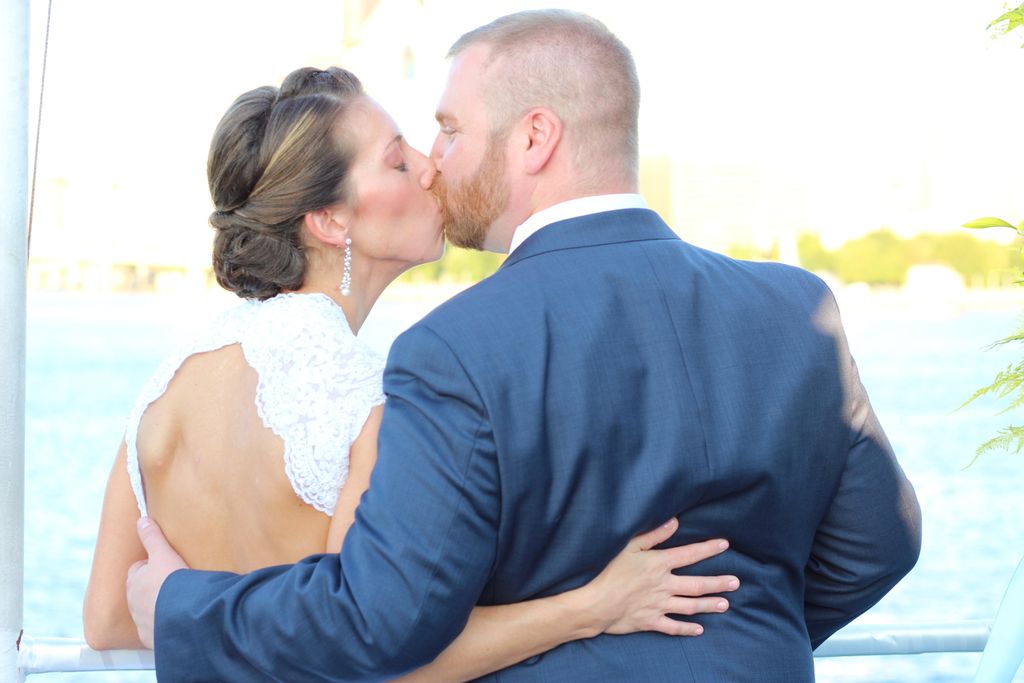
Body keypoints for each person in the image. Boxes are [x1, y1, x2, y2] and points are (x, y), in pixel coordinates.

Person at [128, 9, 922, 682]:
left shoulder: (454, 348)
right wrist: (746, 637)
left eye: (448, 130)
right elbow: (881, 543)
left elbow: (381, 615)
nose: (435, 165)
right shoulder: (797, 308)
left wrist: (180, 608)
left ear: (535, 136)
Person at [82, 65, 738, 676]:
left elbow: (109, 616)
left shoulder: (164, 386)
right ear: (330, 219)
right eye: (398, 160)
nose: (429, 170)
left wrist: (183, 602)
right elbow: (385, 652)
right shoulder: (368, 398)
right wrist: (595, 605)